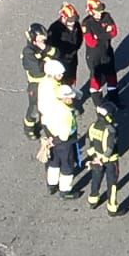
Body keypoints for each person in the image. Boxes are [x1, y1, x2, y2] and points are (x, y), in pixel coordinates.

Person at [37, 59, 82, 197]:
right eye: (59, 74)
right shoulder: (65, 111)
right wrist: (59, 139)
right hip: (63, 138)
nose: (61, 76)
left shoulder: (44, 83)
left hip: (49, 127)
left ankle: (52, 184)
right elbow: (64, 133)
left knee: (53, 160)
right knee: (67, 163)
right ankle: (65, 190)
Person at [84, 97, 122, 210]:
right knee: (112, 183)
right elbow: (110, 147)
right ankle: (112, 207)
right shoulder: (111, 130)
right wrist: (104, 158)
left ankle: (93, 200)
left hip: (96, 159)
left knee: (96, 179)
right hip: (110, 161)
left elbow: (89, 143)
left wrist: (95, 157)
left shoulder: (92, 126)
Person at [82, 0, 119, 99]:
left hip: (107, 51)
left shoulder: (107, 16)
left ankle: (114, 99)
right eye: (97, 11)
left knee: (111, 75)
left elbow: (114, 32)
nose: (100, 13)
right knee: (95, 78)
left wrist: (98, 36)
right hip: (94, 56)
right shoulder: (86, 23)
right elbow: (91, 42)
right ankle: (98, 103)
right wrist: (105, 33)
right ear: (90, 12)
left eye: (101, 10)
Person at [21, 23, 53, 140]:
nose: (43, 42)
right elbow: (37, 70)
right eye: (41, 40)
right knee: (35, 108)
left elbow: (56, 53)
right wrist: (49, 64)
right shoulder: (28, 52)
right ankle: (29, 128)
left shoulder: (44, 47)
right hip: (36, 85)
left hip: (49, 82)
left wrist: (47, 50)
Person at [48, 3, 83, 86]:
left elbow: (80, 38)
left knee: (70, 80)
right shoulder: (54, 28)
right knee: (60, 84)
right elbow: (51, 46)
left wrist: (74, 50)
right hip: (60, 60)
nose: (72, 23)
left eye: (74, 20)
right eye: (70, 20)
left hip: (72, 59)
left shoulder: (76, 25)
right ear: (63, 17)